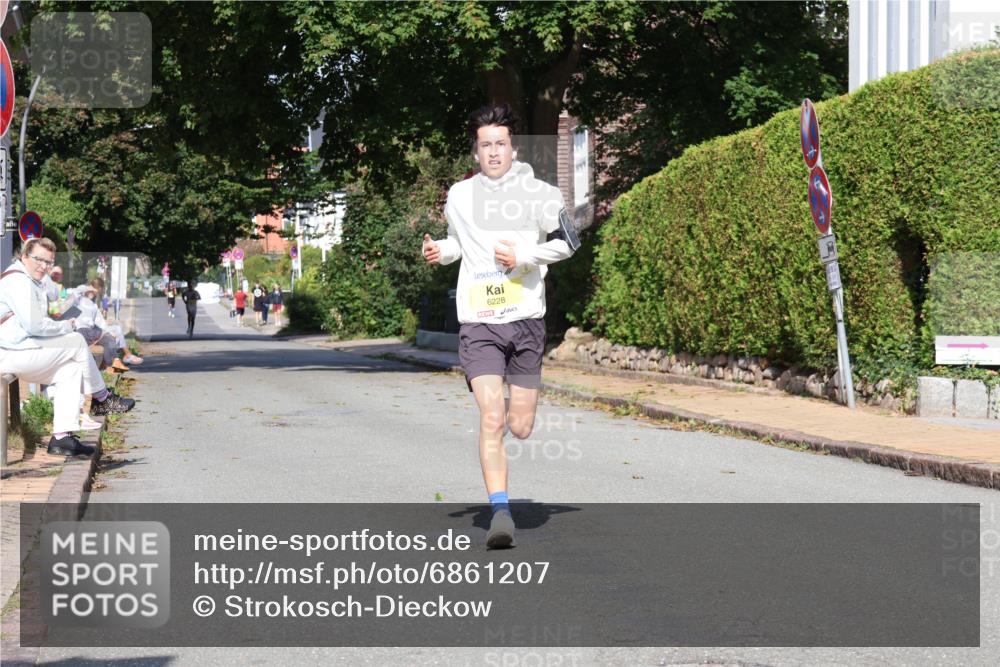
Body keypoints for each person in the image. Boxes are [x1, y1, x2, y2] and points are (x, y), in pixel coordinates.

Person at [421, 103, 575, 548]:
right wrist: (442, 252)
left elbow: (569, 241)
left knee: (520, 425)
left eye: (500, 144)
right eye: (485, 145)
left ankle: (515, 423)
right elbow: (462, 244)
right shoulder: (459, 196)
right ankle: (501, 514)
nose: (493, 152)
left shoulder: (540, 194)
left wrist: (526, 256)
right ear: (476, 151)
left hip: (525, 318)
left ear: (513, 147)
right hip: (480, 322)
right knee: (491, 418)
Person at [0, 238, 135, 456]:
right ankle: (102, 398)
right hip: (10, 353)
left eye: (49, 262)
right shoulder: (17, 282)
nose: (44, 267)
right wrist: (66, 326)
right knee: (76, 341)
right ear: (25, 256)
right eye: (39, 260)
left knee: (71, 370)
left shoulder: (28, 280)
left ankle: (62, 438)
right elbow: (35, 325)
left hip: (20, 350)